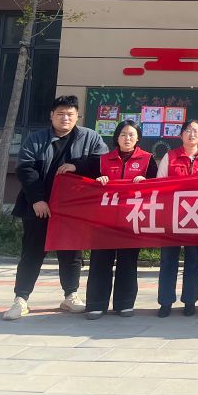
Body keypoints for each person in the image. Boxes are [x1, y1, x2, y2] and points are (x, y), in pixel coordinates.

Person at [3, 95, 107, 321]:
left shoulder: (90, 138)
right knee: (32, 252)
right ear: (51, 116)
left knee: (71, 253)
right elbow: (25, 169)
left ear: (77, 116)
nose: (65, 118)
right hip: (40, 207)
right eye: (60, 114)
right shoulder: (36, 139)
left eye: (70, 114)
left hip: (73, 210)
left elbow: (103, 164)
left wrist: (76, 165)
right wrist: (37, 199)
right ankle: (21, 299)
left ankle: (70, 295)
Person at [78, 119, 158, 319]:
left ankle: (125, 303)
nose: (127, 138)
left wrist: (146, 182)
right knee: (100, 260)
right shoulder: (102, 160)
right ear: (117, 137)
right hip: (104, 220)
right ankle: (96, 304)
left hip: (132, 219)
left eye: (131, 135)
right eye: (123, 134)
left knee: (128, 261)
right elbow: (86, 183)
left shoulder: (148, 160)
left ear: (138, 138)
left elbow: (158, 186)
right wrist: (97, 180)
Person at [156, 119, 198, 317]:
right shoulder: (170, 156)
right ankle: (165, 302)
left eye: (196, 131)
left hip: (196, 219)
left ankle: (190, 301)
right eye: (188, 130)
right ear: (181, 134)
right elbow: (158, 185)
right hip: (171, 217)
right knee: (168, 260)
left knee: (194, 261)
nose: (192, 134)